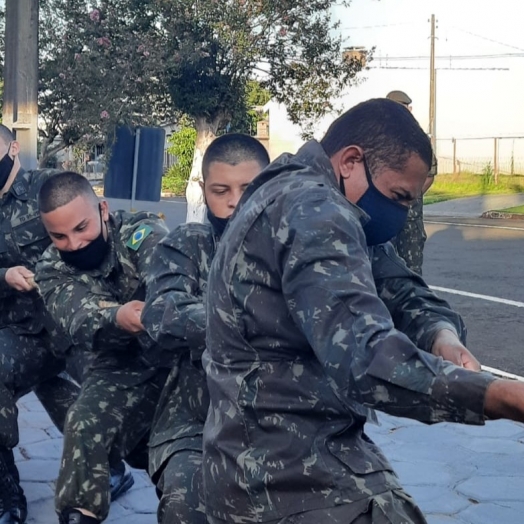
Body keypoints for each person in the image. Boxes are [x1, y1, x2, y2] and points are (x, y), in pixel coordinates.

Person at [201, 98, 524, 524]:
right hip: (280, 476)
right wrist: (493, 396)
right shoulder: (314, 208)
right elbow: (364, 356)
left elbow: (400, 286)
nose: (401, 214)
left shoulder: (308, 194)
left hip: (282, 455)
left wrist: (440, 334)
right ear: (352, 160)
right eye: (398, 197)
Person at [0, 127, 131, 524]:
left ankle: (110, 471)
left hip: (77, 326)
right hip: (24, 333)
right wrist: (4, 275)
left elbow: (105, 232)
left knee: (98, 407)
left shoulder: (49, 189)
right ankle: (8, 496)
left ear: (12, 148)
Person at [141, 133, 271, 524]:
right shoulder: (189, 244)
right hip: (198, 417)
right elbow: (163, 310)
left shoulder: (296, 245)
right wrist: (253, 320)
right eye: (221, 190)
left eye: (248, 188)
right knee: (186, 504)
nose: (235, 201)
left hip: (283, 420)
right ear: (204, 191)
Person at [34, 172, 169, 524]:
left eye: (82, 228)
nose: (75, 243)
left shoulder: (141, 232)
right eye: (59, 236)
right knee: (83, 423)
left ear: (103, 210)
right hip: (119, 359)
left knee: (182, 462)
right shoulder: (50, 267)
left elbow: (168, 279)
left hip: (178, 356)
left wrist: (159, 308)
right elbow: (80, 317)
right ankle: (80, 515)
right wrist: (120, 316)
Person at [386, 90, 437, 275]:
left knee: (412, 271)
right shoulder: (377, 139)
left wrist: (411, 196)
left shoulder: (419, 140)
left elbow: (430, 174)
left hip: (410, 216)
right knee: (382, 268)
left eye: (404, 108)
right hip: (385, 213)